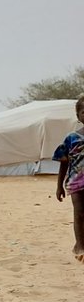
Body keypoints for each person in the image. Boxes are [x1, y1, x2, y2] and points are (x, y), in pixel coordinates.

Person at [53, 95, 84, 262]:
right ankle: (80, 245)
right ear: (78, 115)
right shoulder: (71, 138)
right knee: (79, 213)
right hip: (76, 182)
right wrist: (59, 186)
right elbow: (63, 163)